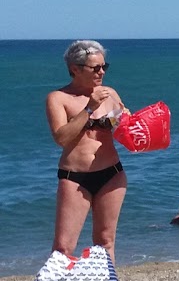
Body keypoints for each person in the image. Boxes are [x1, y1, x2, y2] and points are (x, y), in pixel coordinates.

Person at [46, 40, 128, 265]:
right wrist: (89, 108)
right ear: (75, 69)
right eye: (96, 68)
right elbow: (61, 138)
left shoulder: (109, 93)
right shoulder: (58, 98)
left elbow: (124, 131)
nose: (102, 72)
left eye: (104, 66)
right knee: (63, 246)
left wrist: (128, 121)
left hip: (111, 174)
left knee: (105, 241)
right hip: (75, 178)